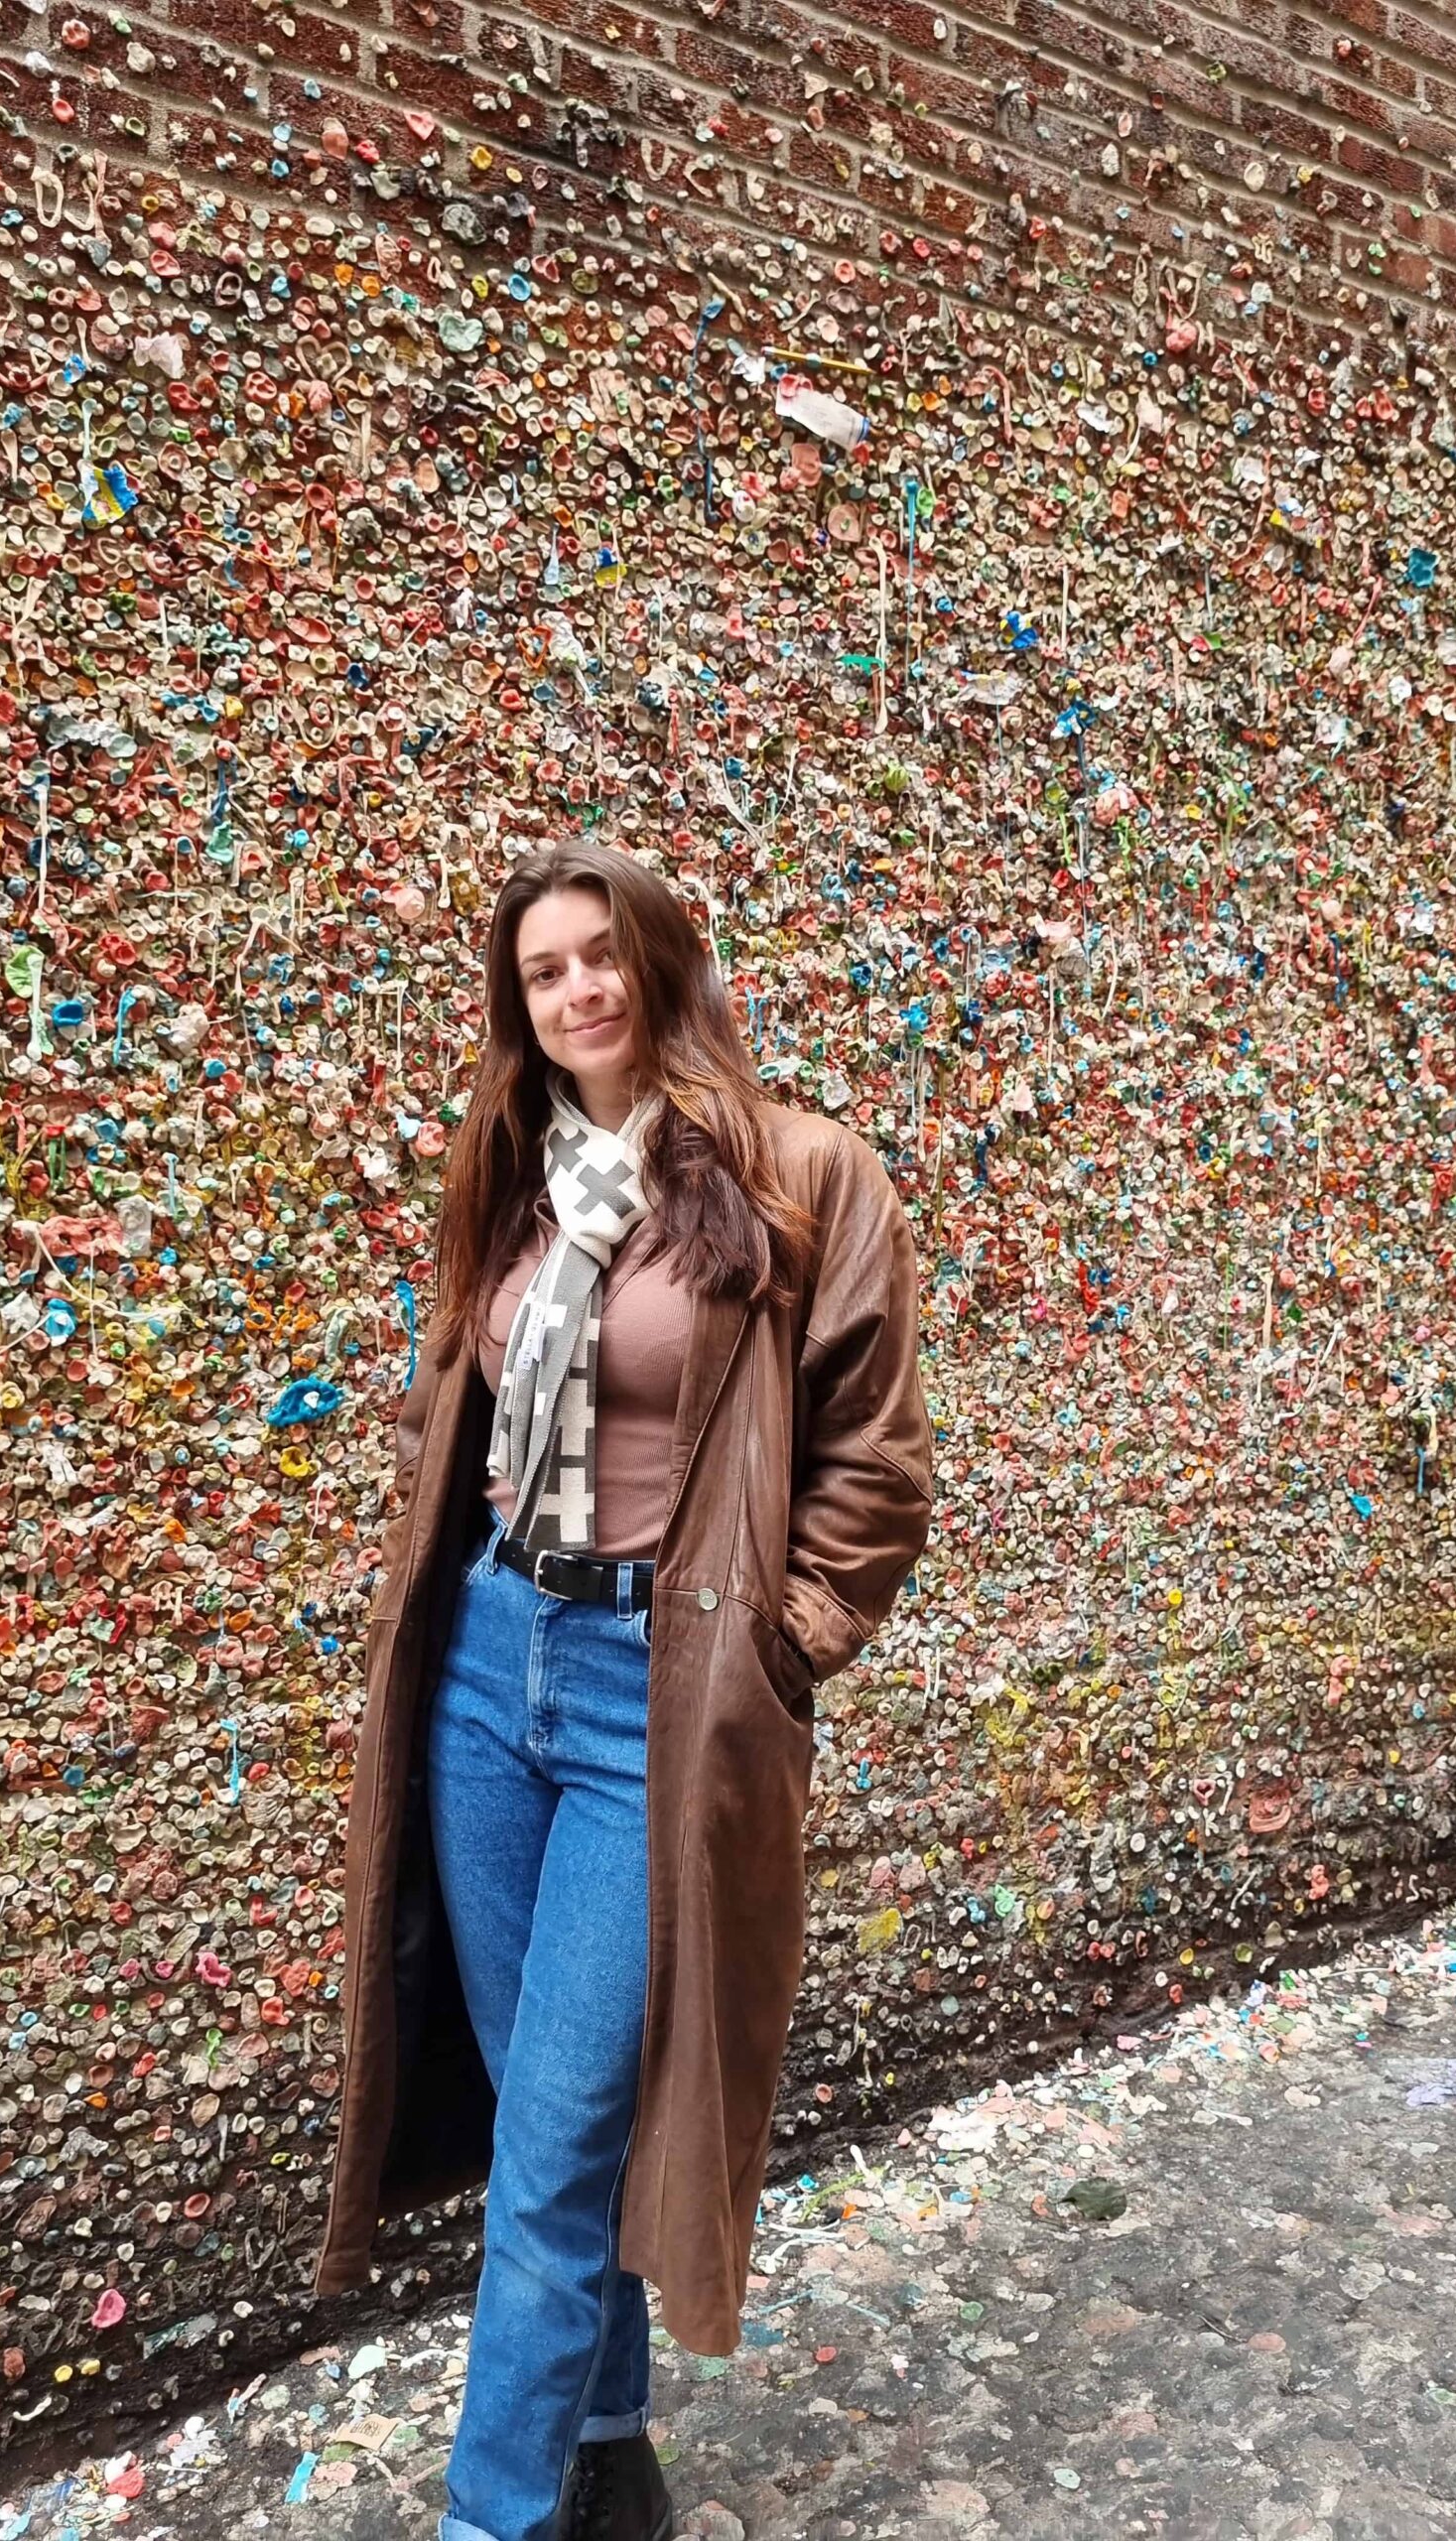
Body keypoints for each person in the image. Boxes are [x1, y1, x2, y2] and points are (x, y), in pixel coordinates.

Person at [314, 839, 933, 2541]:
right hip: (488, 1669)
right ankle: (606, 2439)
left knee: (561, 2138)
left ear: (666, 963)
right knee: (537, 2103)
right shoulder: (512, 1175)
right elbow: (461, 1405)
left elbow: (874, 1475)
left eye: (606, 956)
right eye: (543, 971)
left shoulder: (806, 1174)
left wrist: (774, 1654)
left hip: (650, 1697)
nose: (580, 990)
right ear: (518, 1008)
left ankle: (490, 2516)